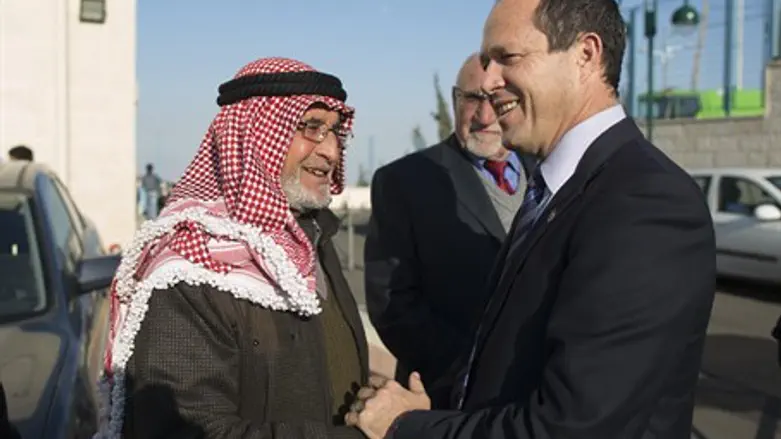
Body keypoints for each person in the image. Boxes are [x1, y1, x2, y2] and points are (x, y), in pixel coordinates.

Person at [346, 0, 716, 438]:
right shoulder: (559, 188)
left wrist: (406, 426)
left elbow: (569, 428)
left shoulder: (645, 205)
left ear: (585, 54)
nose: (489, 80)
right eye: (487, 62)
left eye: (508, 57)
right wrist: (446, 407)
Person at [94, 57, 370, 439]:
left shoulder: (313, 239)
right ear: (253, 137)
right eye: (311, 128)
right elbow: (187, 430)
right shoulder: (189, 272)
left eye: (336, 132)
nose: (331, 152)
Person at [364, 52, 531, 408]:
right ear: (455, 100)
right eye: (472, 99)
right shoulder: (404, 182)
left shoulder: (548, 173)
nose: (484, 117)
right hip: (448, 401)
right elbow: (392, 305)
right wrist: (473, 369)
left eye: (497, 101)